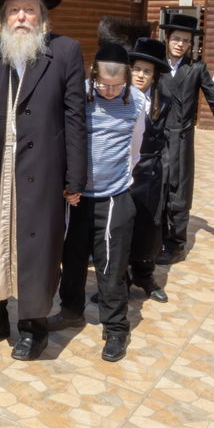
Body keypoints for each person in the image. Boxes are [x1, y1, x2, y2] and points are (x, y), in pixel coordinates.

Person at [0, 0, 87, 361]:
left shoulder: (66, 52)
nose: (20, 17)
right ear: (2, 19)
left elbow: (75, 117)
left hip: (43, 171)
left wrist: (75, 178)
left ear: (42, 18)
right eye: (13, 10)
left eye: (29, 10)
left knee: (37, 248)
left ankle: (33, 326)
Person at [56, 43, 148, 362]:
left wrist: (118, 181)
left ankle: (116, 328)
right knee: (72, 258)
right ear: (93, 75)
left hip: (113, 197)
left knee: (110, 266)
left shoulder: (137, 101)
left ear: (126, 80)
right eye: (103, 85)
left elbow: (135, 149)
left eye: (116, 86)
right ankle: (70, 311)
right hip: (77, 196)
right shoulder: (78, 94)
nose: (109, 92)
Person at [156, 13, 214, 264]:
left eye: (185, 40)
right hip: (156, 138)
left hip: (181, 139)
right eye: (176, 39)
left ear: (190, 44)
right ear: (167, 39)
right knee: (155, 188)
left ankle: (176, 245)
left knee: (179, 192)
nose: (180, 44)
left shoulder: (196, 69)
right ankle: (155, 239)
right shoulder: (156, 66)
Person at [127, 36, 172, 303]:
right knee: (122, 229)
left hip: (150, 173)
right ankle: (119, 280)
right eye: (137, 69)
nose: (141, 75)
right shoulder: (115, 98)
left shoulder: (162, 103)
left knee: (148, 227)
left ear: (154, 76)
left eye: (147, 71)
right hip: (123, 173)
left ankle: (144, 275)